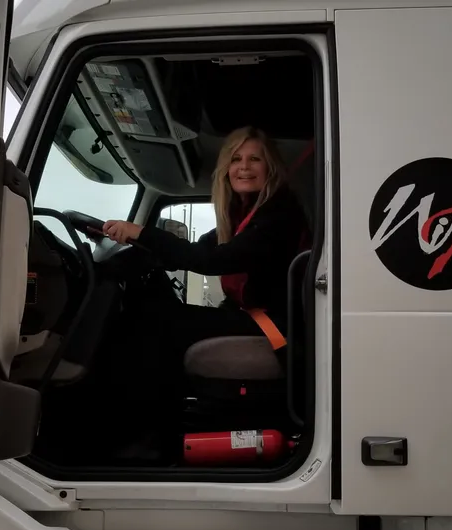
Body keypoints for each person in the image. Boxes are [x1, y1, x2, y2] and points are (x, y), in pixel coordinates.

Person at [100, 126, 311, 459]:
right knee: (157, 313)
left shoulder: (278, 213)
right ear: (226, 168)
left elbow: (215, 260)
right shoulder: (245, 212)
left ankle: (149, 436)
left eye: (255, 158)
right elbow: (198, 248)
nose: (244, 167)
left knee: (160, 323)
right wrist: (140, 250)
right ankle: (147, 428)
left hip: (278, 330)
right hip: (259, 318)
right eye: (236, 159)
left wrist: (143, 233)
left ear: (270, 167)